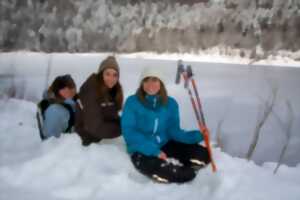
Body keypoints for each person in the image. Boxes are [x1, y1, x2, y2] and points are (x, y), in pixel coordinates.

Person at [121, 67, 211, 183]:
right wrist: (154, 151)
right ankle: (176, 171)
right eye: (146, 80)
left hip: (165, 143)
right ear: (141, 83)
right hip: (141, 148)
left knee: (203, 155)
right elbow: (130, 132)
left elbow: (174, 131)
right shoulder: (132, 102)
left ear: (161, 83)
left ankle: (185, 166)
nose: (150, 84)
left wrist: (198, 135)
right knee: (175, 173)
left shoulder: (170, 104)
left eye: (155, 80)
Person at [75, 56, 123, 146]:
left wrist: (127, 122)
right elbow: (96, 128)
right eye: (107, 74)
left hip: (100, 135)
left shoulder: (112, 90)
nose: (111, 78)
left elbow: (111, 116)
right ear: (101, 74)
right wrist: (124, 128)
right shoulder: (91, 90)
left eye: (115, 75)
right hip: (86, 138)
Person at [37, 74, 77, 140]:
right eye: (71, 88)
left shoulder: (68, 105)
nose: (74, 91)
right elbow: (50, 142)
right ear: (62, 90)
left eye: (73, 87)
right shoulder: (56, 111)